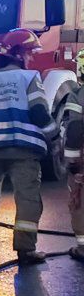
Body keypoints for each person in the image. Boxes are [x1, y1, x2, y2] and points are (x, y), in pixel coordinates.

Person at [0, 29, 56, 265]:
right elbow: (39, 112)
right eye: (30, 52)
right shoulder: (29, 77)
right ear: (19, 54)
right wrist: (54, 136)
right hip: (24, 149)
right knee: (27, 198)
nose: (31, 57)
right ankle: (25, 250)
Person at [63, 49, 84, 260]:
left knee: (79, 201)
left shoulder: (79, 95)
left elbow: (75, 129)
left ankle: (83, 247)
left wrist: (72, 162)